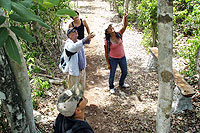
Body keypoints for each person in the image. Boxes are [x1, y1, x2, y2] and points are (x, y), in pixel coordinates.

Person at [104, 12, 129, 94]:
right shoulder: (107, 41)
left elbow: (125, 26)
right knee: (112, 73)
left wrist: (125, 17)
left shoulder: (119, 34)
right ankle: (111, 87)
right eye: (109, 28)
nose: (111, 28)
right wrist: (108, 63)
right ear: (107, 32)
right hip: (113, 59)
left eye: (111, 26)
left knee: (125, 72)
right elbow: (106, 53)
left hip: (122, 57)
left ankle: (121, 83)